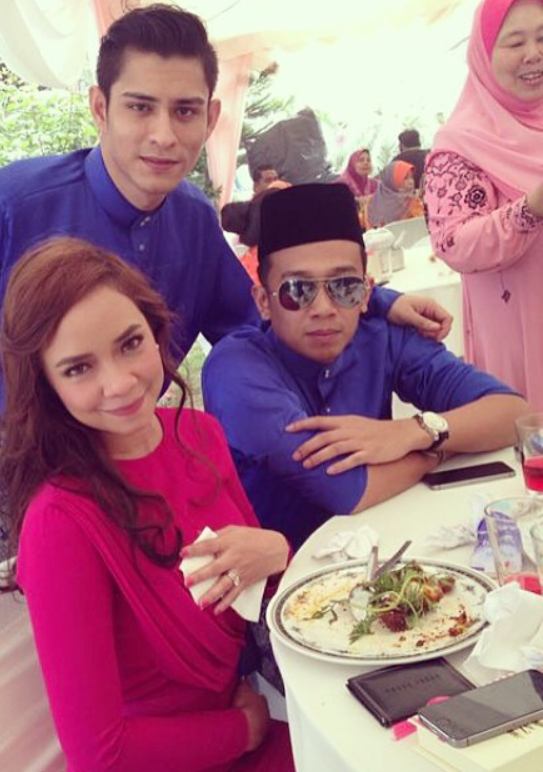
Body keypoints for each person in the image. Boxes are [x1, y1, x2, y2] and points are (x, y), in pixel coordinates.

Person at [0, 4, 452, 592]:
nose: (164, 135)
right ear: (100, 107)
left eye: (184, 110)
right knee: (11, 624)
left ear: (210, 117)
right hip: (4, 447)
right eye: (140, 107)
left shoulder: (191, 217)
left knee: (137, 604)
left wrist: (373, 301)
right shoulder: (3, 207)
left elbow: (260, 310)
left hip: (128, 435)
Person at [0, 237, 297, 772]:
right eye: (78, 368)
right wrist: (243, 730)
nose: (119, 383)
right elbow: (101, 757)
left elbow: (255, 585)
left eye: (130, 344)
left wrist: (279, 550)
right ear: (46, 385)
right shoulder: (60, 522)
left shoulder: (200, 435)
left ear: (155, 332)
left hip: (239, 746)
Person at [202, 183, 529, 550]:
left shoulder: (381, 337)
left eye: (345, 287)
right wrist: (439, 448)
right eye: (298, 290)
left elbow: (513, 414)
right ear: (264, 301)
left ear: (366, 293)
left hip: (388, 548)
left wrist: (412, 432)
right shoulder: (237, 369)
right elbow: (348, 490)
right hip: (286, 573)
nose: (323, 308)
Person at [424, 0, 543, 408]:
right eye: (515, 43)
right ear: (483, 53)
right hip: (523, 333)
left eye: (542, 38)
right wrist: (530, 209)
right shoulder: (461, 144)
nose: (534, 54)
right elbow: (453, 243)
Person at [365, 161, 423, 228]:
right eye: (405, 178)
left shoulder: (413, 202)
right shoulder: (371, 202)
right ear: (392, 180)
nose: (411, 181)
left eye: (411, 177)